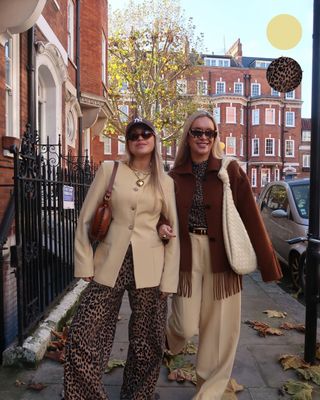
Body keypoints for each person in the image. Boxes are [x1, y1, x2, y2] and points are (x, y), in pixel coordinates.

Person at [158, 110, 282, 400]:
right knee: (185, 325)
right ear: (187, 137)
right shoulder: (173, 177)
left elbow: (251, 216)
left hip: (222, 259)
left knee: (219, 332)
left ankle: (208, 393)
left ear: (215, 138)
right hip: (187, 258)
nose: (203, 137)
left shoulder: (230, 170)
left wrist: (269, 266)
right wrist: (161, 226)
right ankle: (167, 341)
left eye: (209, 133)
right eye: (197, 132)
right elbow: (159, 215)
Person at [64, 117, 180, 400]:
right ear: (128, 142)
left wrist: (169, 279)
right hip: (109, 262)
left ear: (154, 140)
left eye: (146, 133)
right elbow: (84, 220)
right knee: (84, 335)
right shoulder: (109, 170)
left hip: (151, 267)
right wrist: (84, 262)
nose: (140, 138)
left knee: (148, 342)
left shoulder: (165, 181)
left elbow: (172, 228)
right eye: (133, 135)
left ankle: (137, 395)